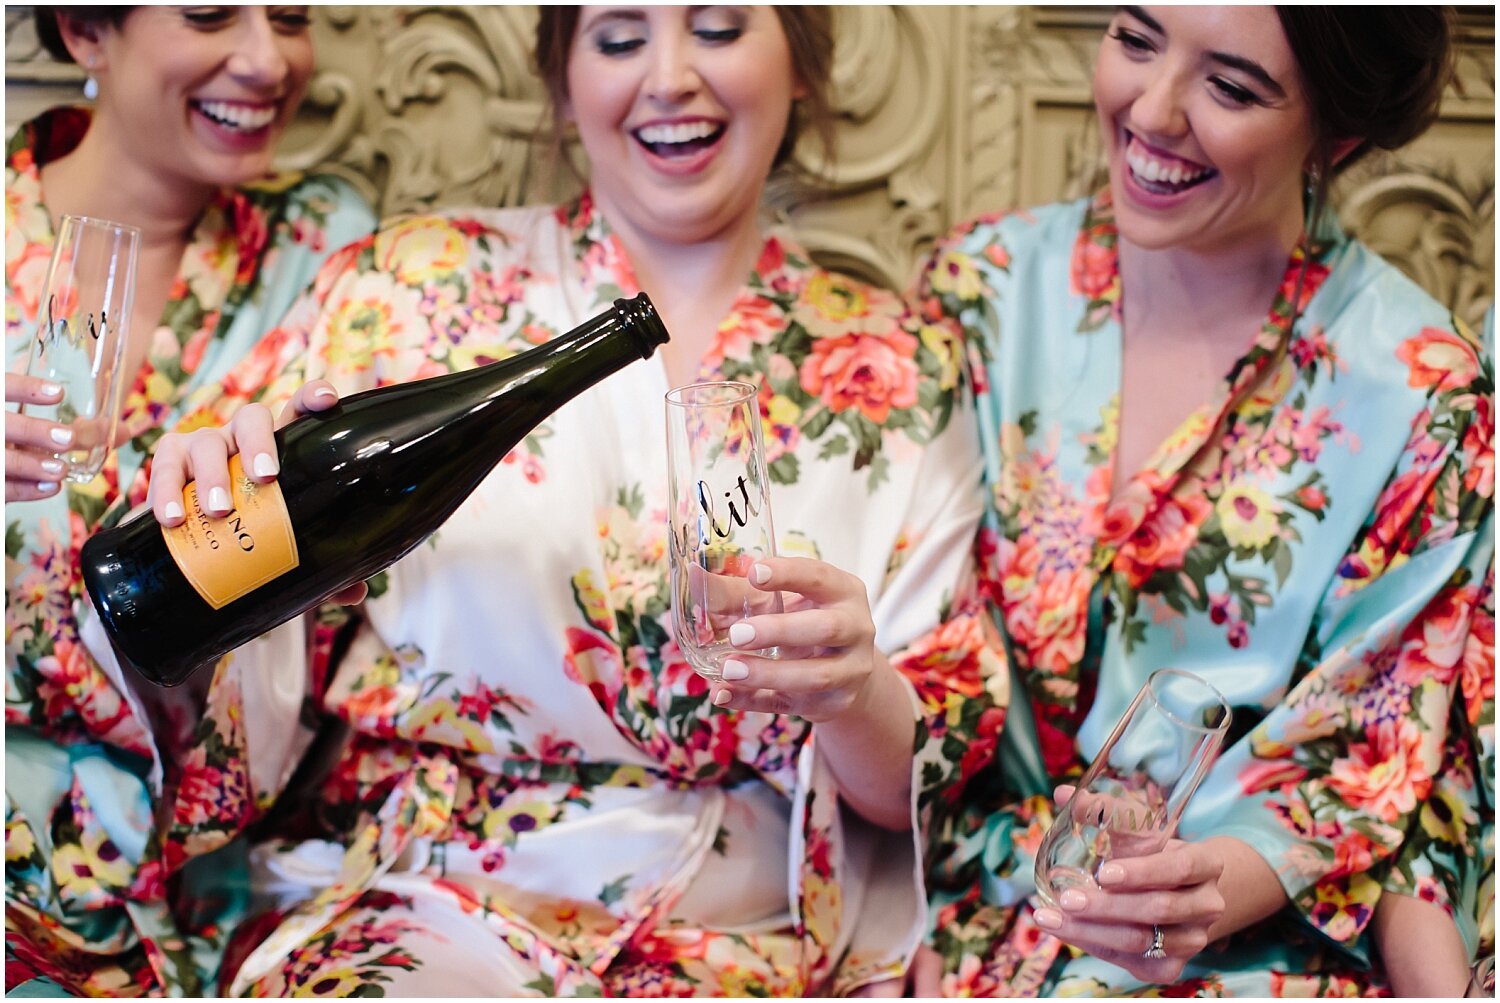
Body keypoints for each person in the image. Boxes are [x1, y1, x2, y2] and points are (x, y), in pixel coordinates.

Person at [88, 6, 1004, 995]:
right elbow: (214, 691)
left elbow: (916, 787)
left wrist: (852, 691)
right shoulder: (405, 288)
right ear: (564, 89)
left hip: (743, 923)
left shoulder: (902, 367)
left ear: (803, 69)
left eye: (721, 28)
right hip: (431, 901)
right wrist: (206, 519)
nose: (669, 78)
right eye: (618, 39)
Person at [912, 5, 1493, 997]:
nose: (1152, 109)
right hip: (969, 912)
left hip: (1244, 936)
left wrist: (1200, 893)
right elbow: (907, 642)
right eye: (1135, 38)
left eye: (1230, 87)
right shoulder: (980, 292)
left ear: (1337, 132)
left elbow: (1383, 742)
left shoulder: (1423, 389)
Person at [4, 6, 377, 996]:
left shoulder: (329, 246)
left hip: (219, 858)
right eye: (211, 11)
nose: (266, 59)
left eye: (292, 16)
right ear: (87, 31)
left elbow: (365, 581)